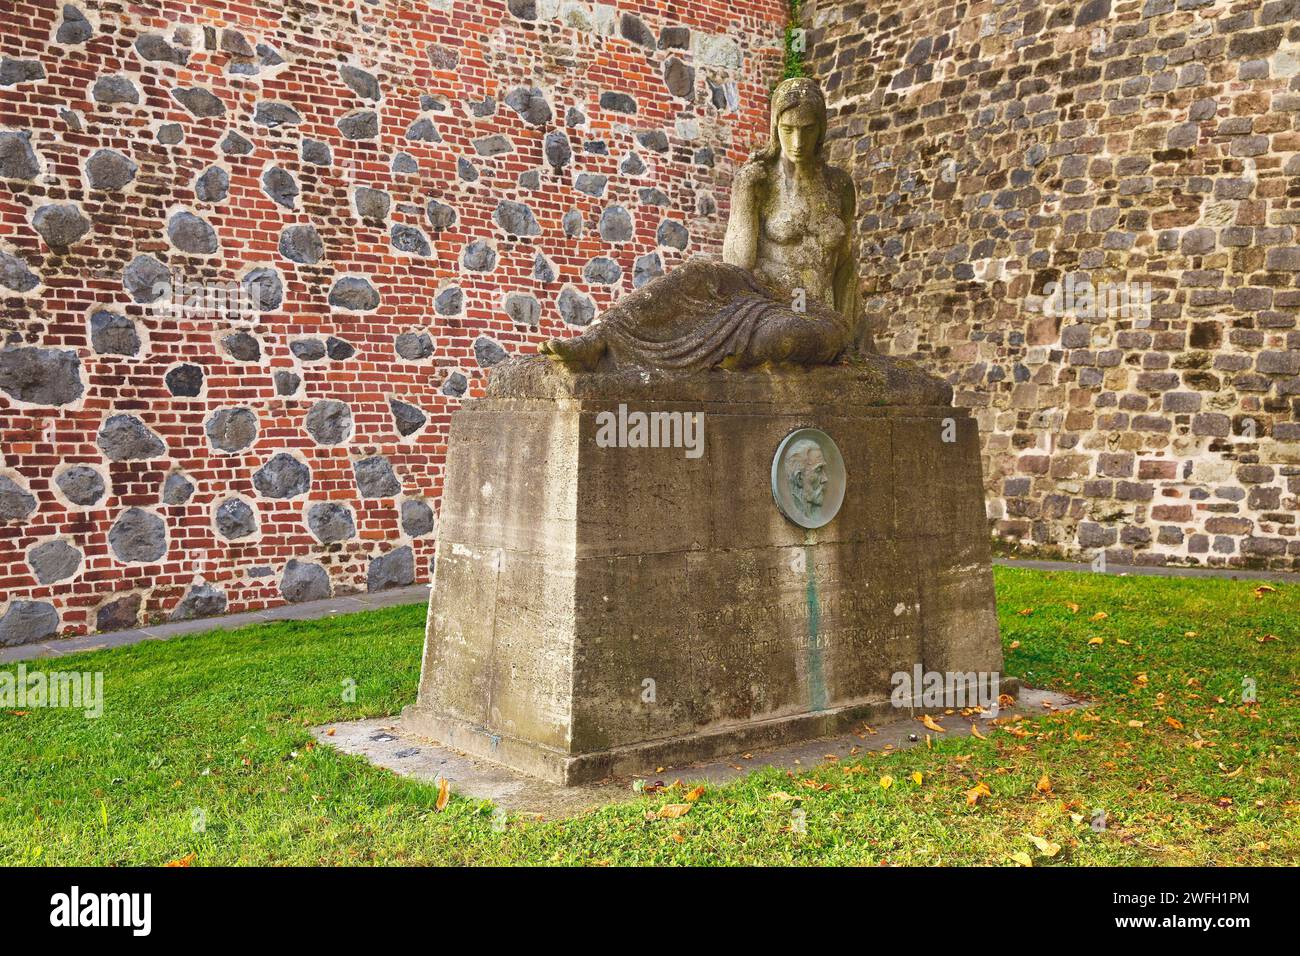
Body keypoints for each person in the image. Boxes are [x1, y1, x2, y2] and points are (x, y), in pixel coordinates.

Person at [540, 76, 865, 372]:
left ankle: (723, 353)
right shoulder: (760, 180)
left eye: (807, 129)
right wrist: (746, 195)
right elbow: (737, 264)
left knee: (789, 336)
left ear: (820, 128)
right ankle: (599, 336)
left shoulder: (838, 186)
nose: (797, 141)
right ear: (774, 128)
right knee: (695, 275)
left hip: (813, 315)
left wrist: (854, 338)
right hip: (760, 296)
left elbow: (846, 270)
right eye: (788, 129)